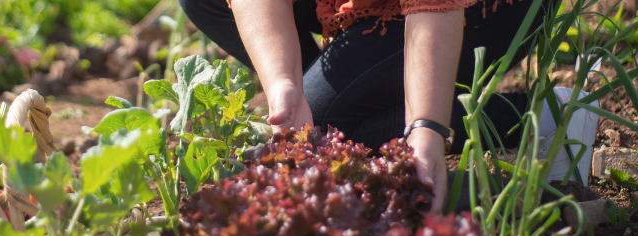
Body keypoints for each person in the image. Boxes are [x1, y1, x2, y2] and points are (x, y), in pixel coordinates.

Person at [180, 0, 566, 214]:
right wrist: (284, 82)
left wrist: (427, 126)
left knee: (332, 125)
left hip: (483, 7)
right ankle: (348, 93)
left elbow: (434, 5)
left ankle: (544, 115)